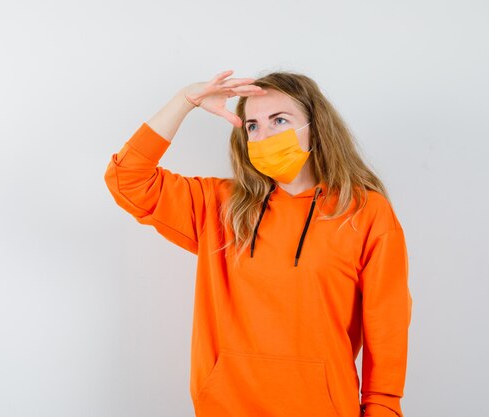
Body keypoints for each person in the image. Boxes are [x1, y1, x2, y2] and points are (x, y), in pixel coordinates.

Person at [104, 69, 413, 417]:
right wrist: (184, 101)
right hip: (226, 407)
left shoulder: (364, 212)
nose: (263, 135)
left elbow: (386, 326)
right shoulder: (220, 206)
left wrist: (383, 409)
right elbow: (126, 178)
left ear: (316, 127)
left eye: (279, 120)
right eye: (252, 125)